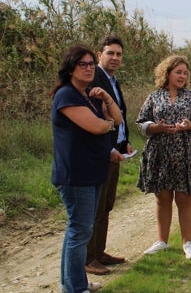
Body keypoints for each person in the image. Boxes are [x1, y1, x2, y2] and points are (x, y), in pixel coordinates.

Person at [51, 44, 122, 293]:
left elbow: (117, 119)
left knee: (79, 230)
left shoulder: (88, 94)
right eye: (83, 64)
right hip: (75, 173)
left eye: (92, 64)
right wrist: (108, 121)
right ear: (71, 68)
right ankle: (75, 287)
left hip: (92, 171)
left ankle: (69, 283)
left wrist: (107, 99)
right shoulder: (67, 95)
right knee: (80, 230)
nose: (89, 68)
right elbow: (97, 126)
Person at [136, 55, 191, 260]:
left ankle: (187, 242)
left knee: (185, 198)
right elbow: (141, 122)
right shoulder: (154, 97)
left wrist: (190, 125)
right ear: (167, 73)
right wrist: (156, 127)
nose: (182, 76)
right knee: (163, 197)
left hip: (185, 151)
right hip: (160, 152)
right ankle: (162, 241)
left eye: (185, 73)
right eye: (178, 72)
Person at [85, 35, 134, 275]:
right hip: (99, 154)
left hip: (115, 151)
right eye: (110, 53)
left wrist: (124, 143)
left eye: (119, 54)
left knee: (106, 205)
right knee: (95, 207)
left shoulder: (112, 80)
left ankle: (99, 251)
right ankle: (88, 258)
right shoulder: (93, 79)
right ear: (99, 54)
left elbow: (118, 115)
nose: (115, 58)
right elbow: (92, 119)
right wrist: (109, 148)